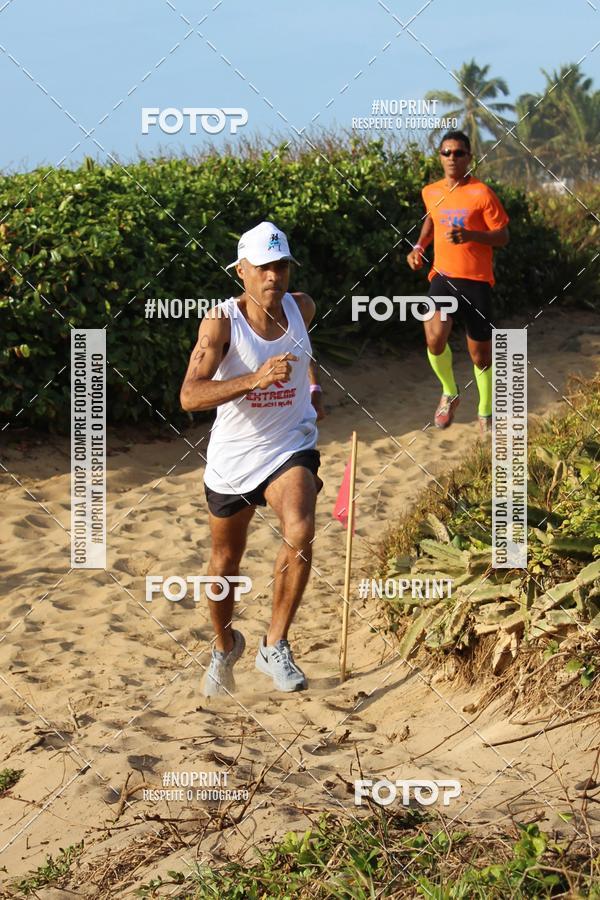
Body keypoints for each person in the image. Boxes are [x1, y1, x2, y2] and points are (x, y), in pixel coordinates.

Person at [180, 221, 325, 696]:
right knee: (224, 561)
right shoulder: (221, 322)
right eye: (263, 267)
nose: (273, 277)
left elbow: (306, 353)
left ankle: (274, 644)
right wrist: (253, 379)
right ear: (241, 270)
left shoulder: (302, 307)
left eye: (281, 265)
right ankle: (225, 646)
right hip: (235, 456)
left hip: (289, 444)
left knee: (300, 529)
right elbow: (189, 396)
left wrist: (314, 387)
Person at [407, 130, 510, 435]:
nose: (452, 158)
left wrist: (471, 235)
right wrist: (418, 247)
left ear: (469, 157)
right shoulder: (431, 191)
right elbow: (431, 219)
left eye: (459, 153)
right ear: (439, 156)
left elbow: (503, 236)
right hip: (443, 276)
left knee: (481, 355)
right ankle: (450, 392)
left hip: (476, 282)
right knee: (434, 337)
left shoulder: (482, 193)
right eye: (446, 152)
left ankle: (485, 409)